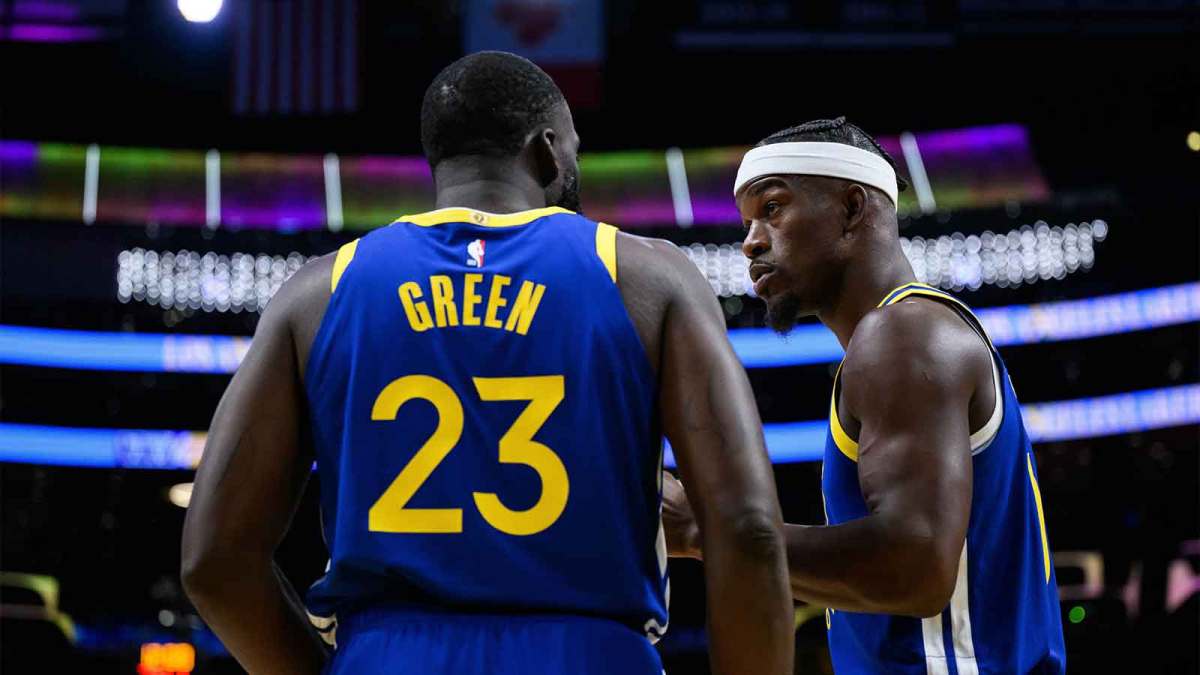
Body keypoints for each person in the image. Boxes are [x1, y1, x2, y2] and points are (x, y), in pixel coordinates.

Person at [180, 51, 793, 675]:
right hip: (590, 653)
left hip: (388, 654)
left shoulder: (319, 291)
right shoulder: (650, 277)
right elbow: (748, 531)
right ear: (549, 150)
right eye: (574, 151)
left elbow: (213, 563)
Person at [663, 117, 1066, 674]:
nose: (751, 240)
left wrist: (702, 531)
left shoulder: (903, 335)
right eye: (749, 221)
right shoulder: (901, 340)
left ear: (853, 209)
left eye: (773, 209)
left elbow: (913, 569)